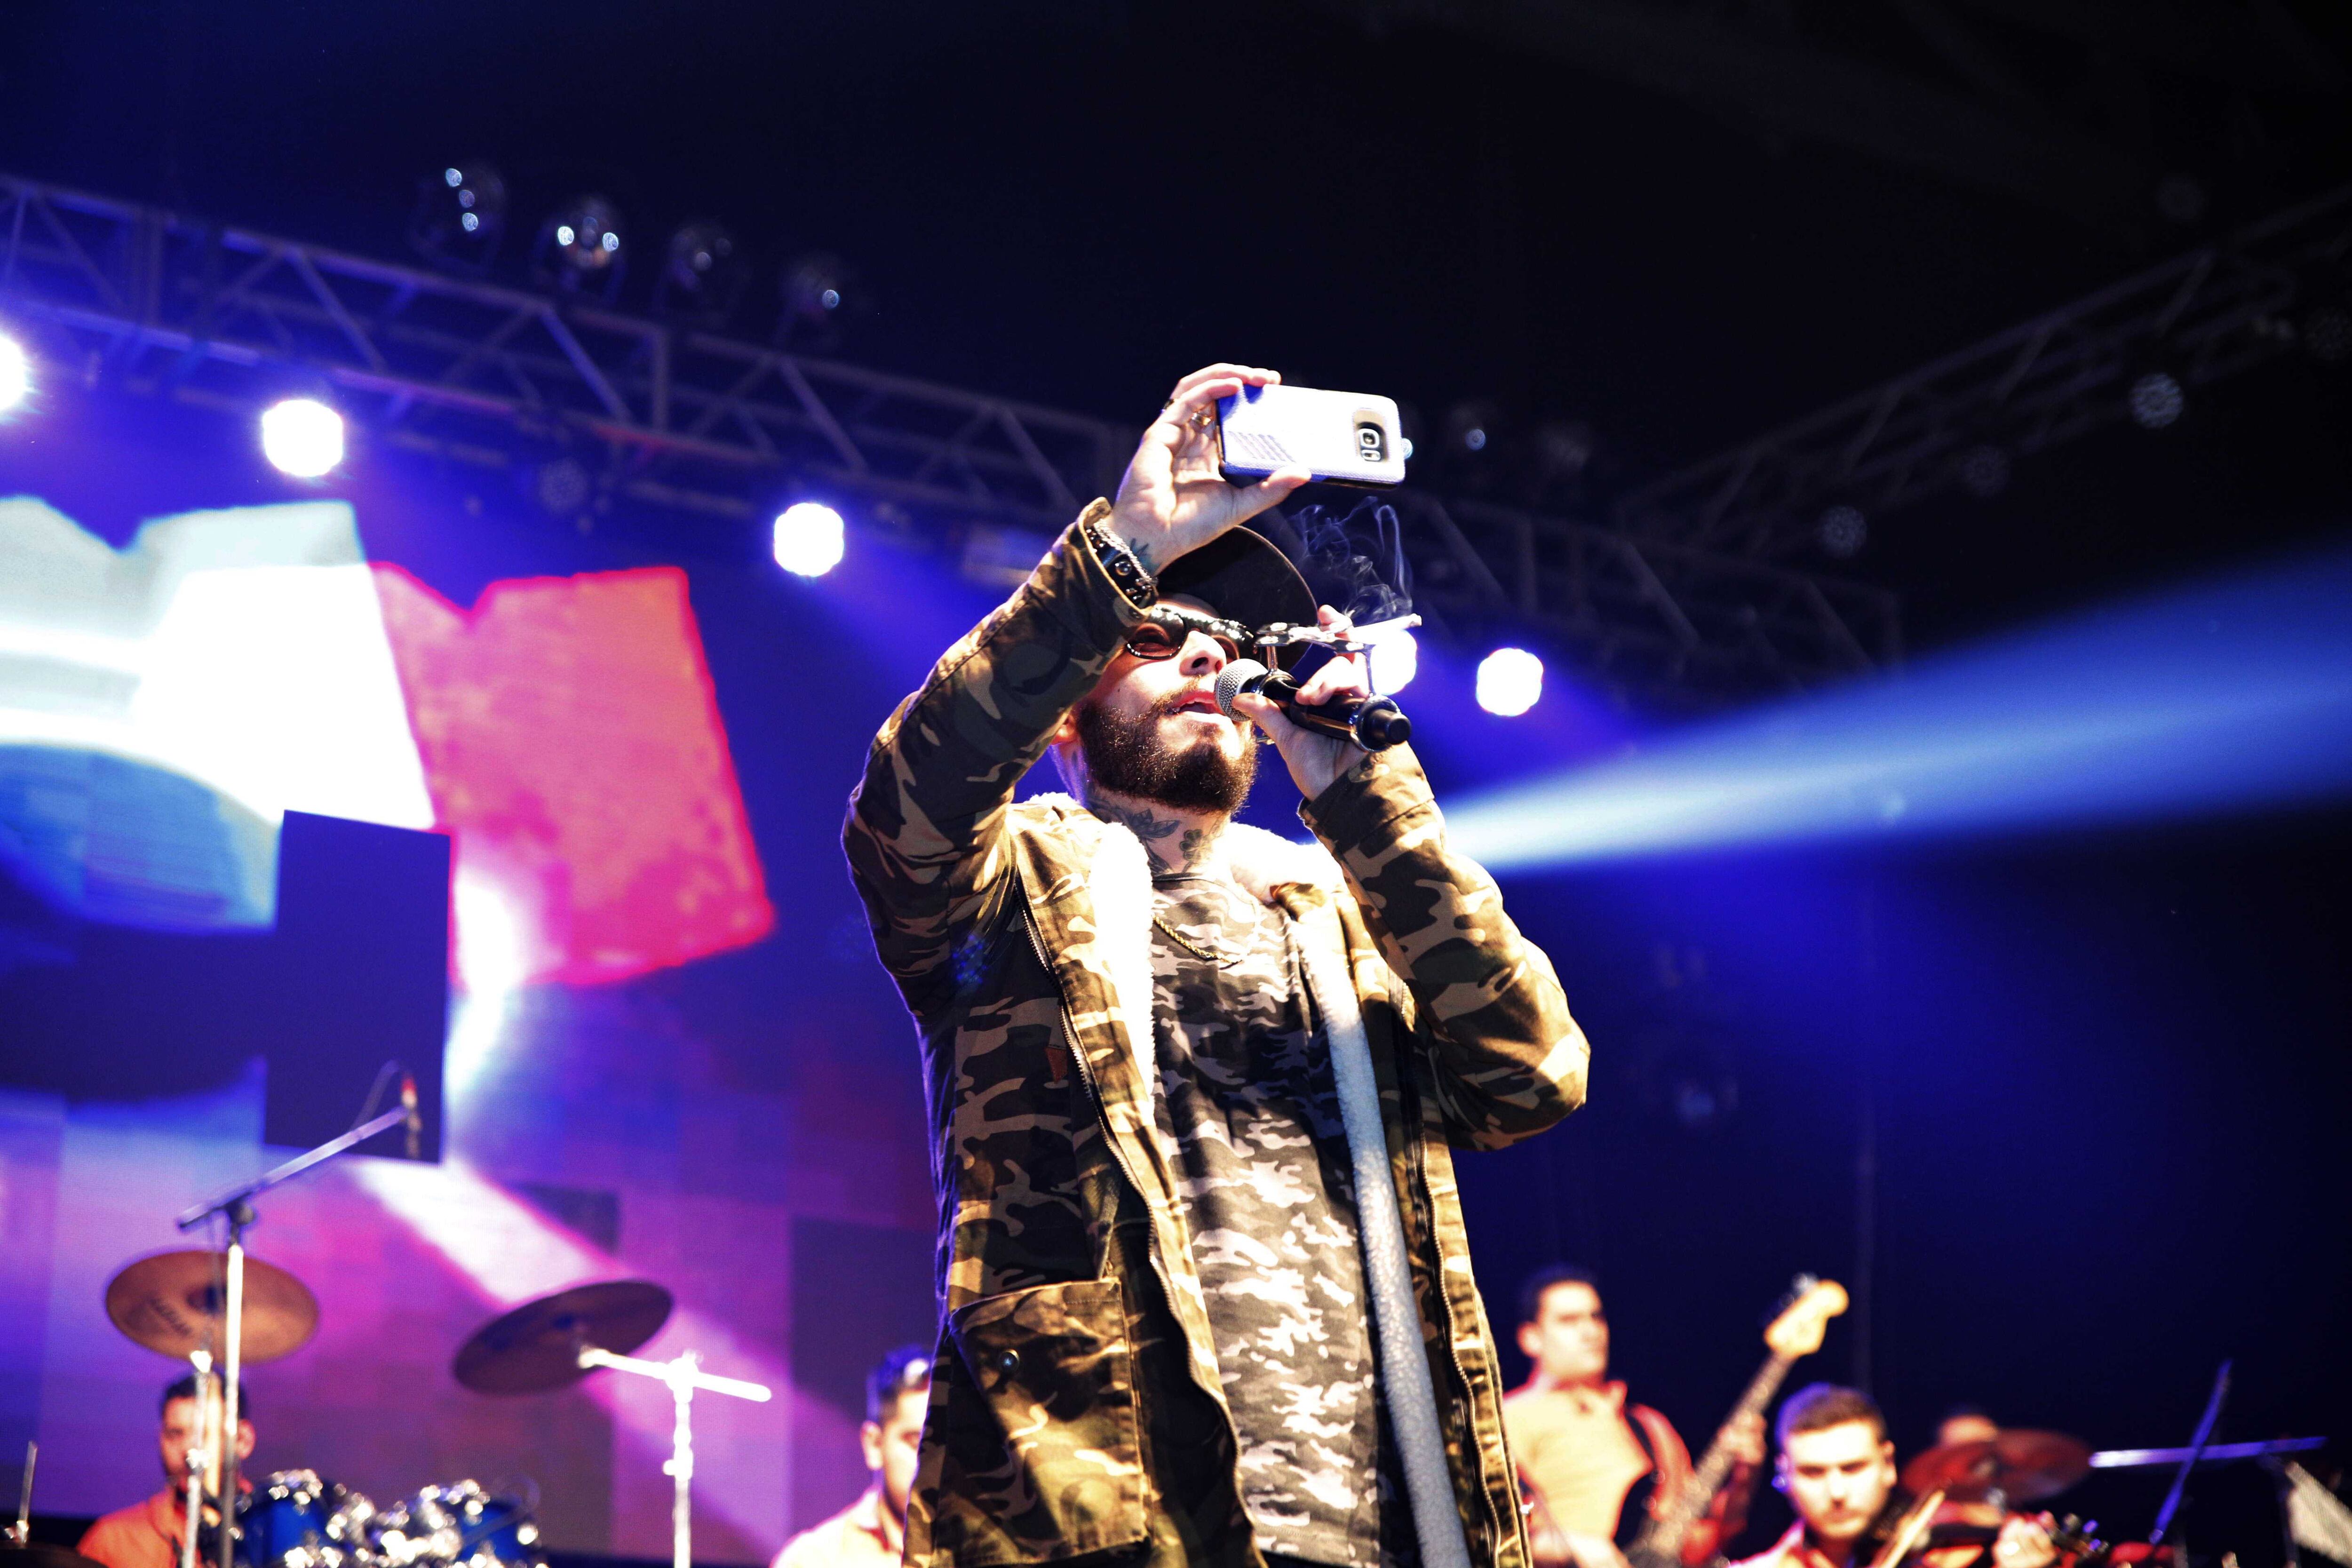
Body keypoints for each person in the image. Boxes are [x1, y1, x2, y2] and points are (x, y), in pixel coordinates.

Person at [843, 364, 1588, 1568]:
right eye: (1155, 636)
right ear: (1069, 711)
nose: (1205, 660)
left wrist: (1359, 789)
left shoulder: (1334, 915)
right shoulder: (1009, 885)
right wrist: (1126, 547)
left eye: (1228, 642)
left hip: (1368, 1530)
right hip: (1110, 1529)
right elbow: (913, 792)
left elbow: (1533, 1073)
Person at [1506, 1266, 1764, 1568]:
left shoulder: (1650, 1424)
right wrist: (1573, 1548)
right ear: (1531, 1338)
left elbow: (1694, 1543)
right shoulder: (1513, 1417)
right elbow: (1497, 1532)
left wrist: (1743, 1482)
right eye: (1569, 1321)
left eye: (1596, 1317)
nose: (1590, 1331)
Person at [1732, 1385, 2054, 1568]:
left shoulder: (1946, 1547)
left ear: (1888, 1463)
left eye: (1853, 1467)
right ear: (1784, 1473)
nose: (1837, 1491)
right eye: (1813, 1472)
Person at [771, 1349, 931, 1568]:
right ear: (874, 1445)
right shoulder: (815, 1559)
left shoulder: (984, 1545)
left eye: (948, 1447)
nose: (936, 1462)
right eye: (917, 1444)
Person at [78, 1374, 254, 1568]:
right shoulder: (113, 1540)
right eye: (175, 1434)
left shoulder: (274, 1532)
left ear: (242, 1441)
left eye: (204, 1434)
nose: (189, 1450)